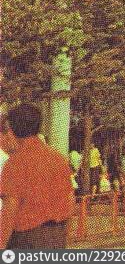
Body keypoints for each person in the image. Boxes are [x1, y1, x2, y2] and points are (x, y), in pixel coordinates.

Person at [0, 104, 75, 249]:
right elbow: (70, 199)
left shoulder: (15, 163)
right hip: (57, 236)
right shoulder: (57, 158)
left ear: (12, 129)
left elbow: (10, 209)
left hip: (26, 240)